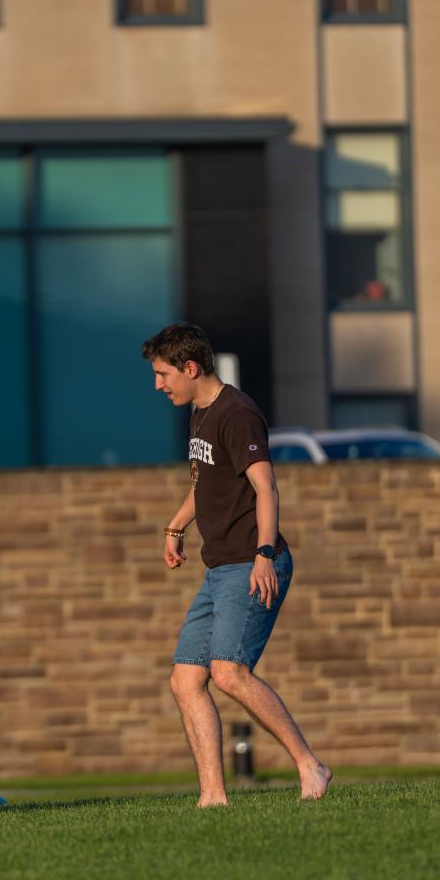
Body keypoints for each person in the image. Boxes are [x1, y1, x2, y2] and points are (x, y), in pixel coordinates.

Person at [143, 324, 332, 807]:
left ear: (190, 369)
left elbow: (266, 487)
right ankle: (213, 795)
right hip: (219, 568)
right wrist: (175, 526)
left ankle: (310, 764)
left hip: (251, 563)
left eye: (163, 375)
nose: (158, 385)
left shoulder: (237, 413)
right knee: (186, 680)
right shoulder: (201, 413)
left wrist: (264, 555)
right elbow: (206, 483)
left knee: (229, 672)